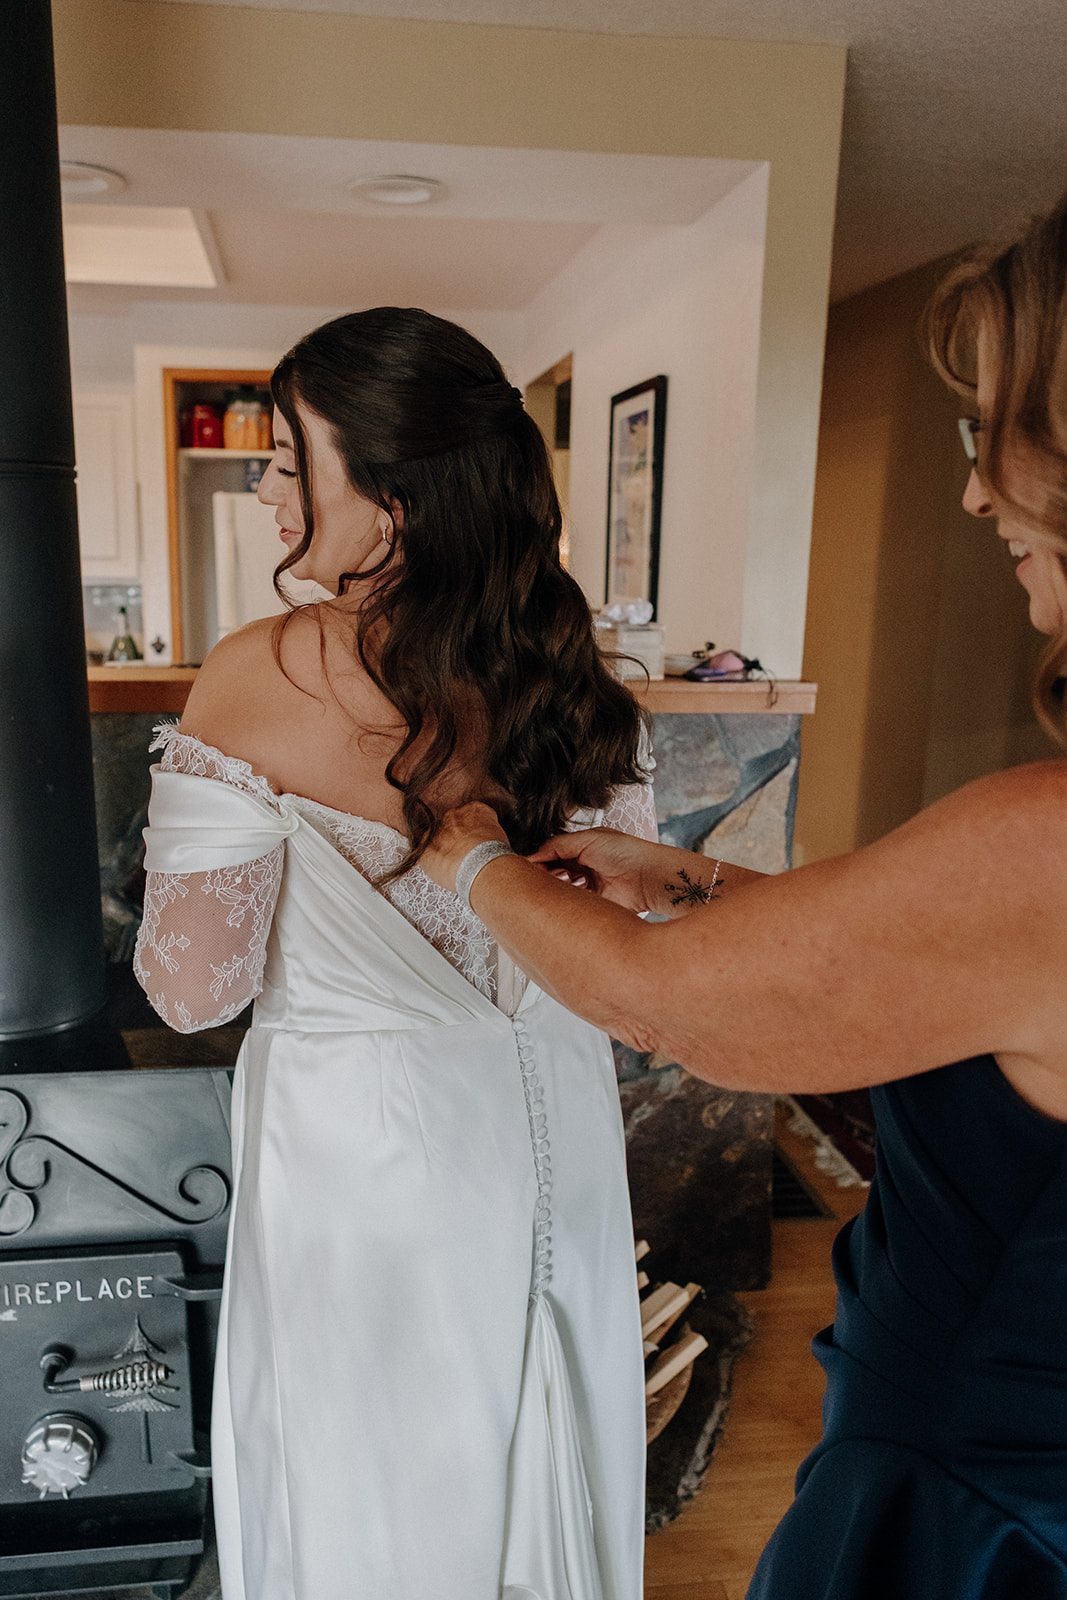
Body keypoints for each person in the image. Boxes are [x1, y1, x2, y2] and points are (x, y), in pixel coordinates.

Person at [422, 194, 1067, 1598]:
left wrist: (462, 849)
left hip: (983, 1503)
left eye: (995, 434)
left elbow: (678, 1011)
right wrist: (697, 879)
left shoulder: (1052, 844)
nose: (971, 491)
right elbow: (950, 980)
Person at [133, 307, 659, 1600]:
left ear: (397, 501)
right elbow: (629, 960)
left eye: (287, 458)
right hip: (559, 1152)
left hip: (364, 1179)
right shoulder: (568, 677)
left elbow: (191, 991)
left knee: (369, 1501)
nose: (265, 489)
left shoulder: (256, 678)